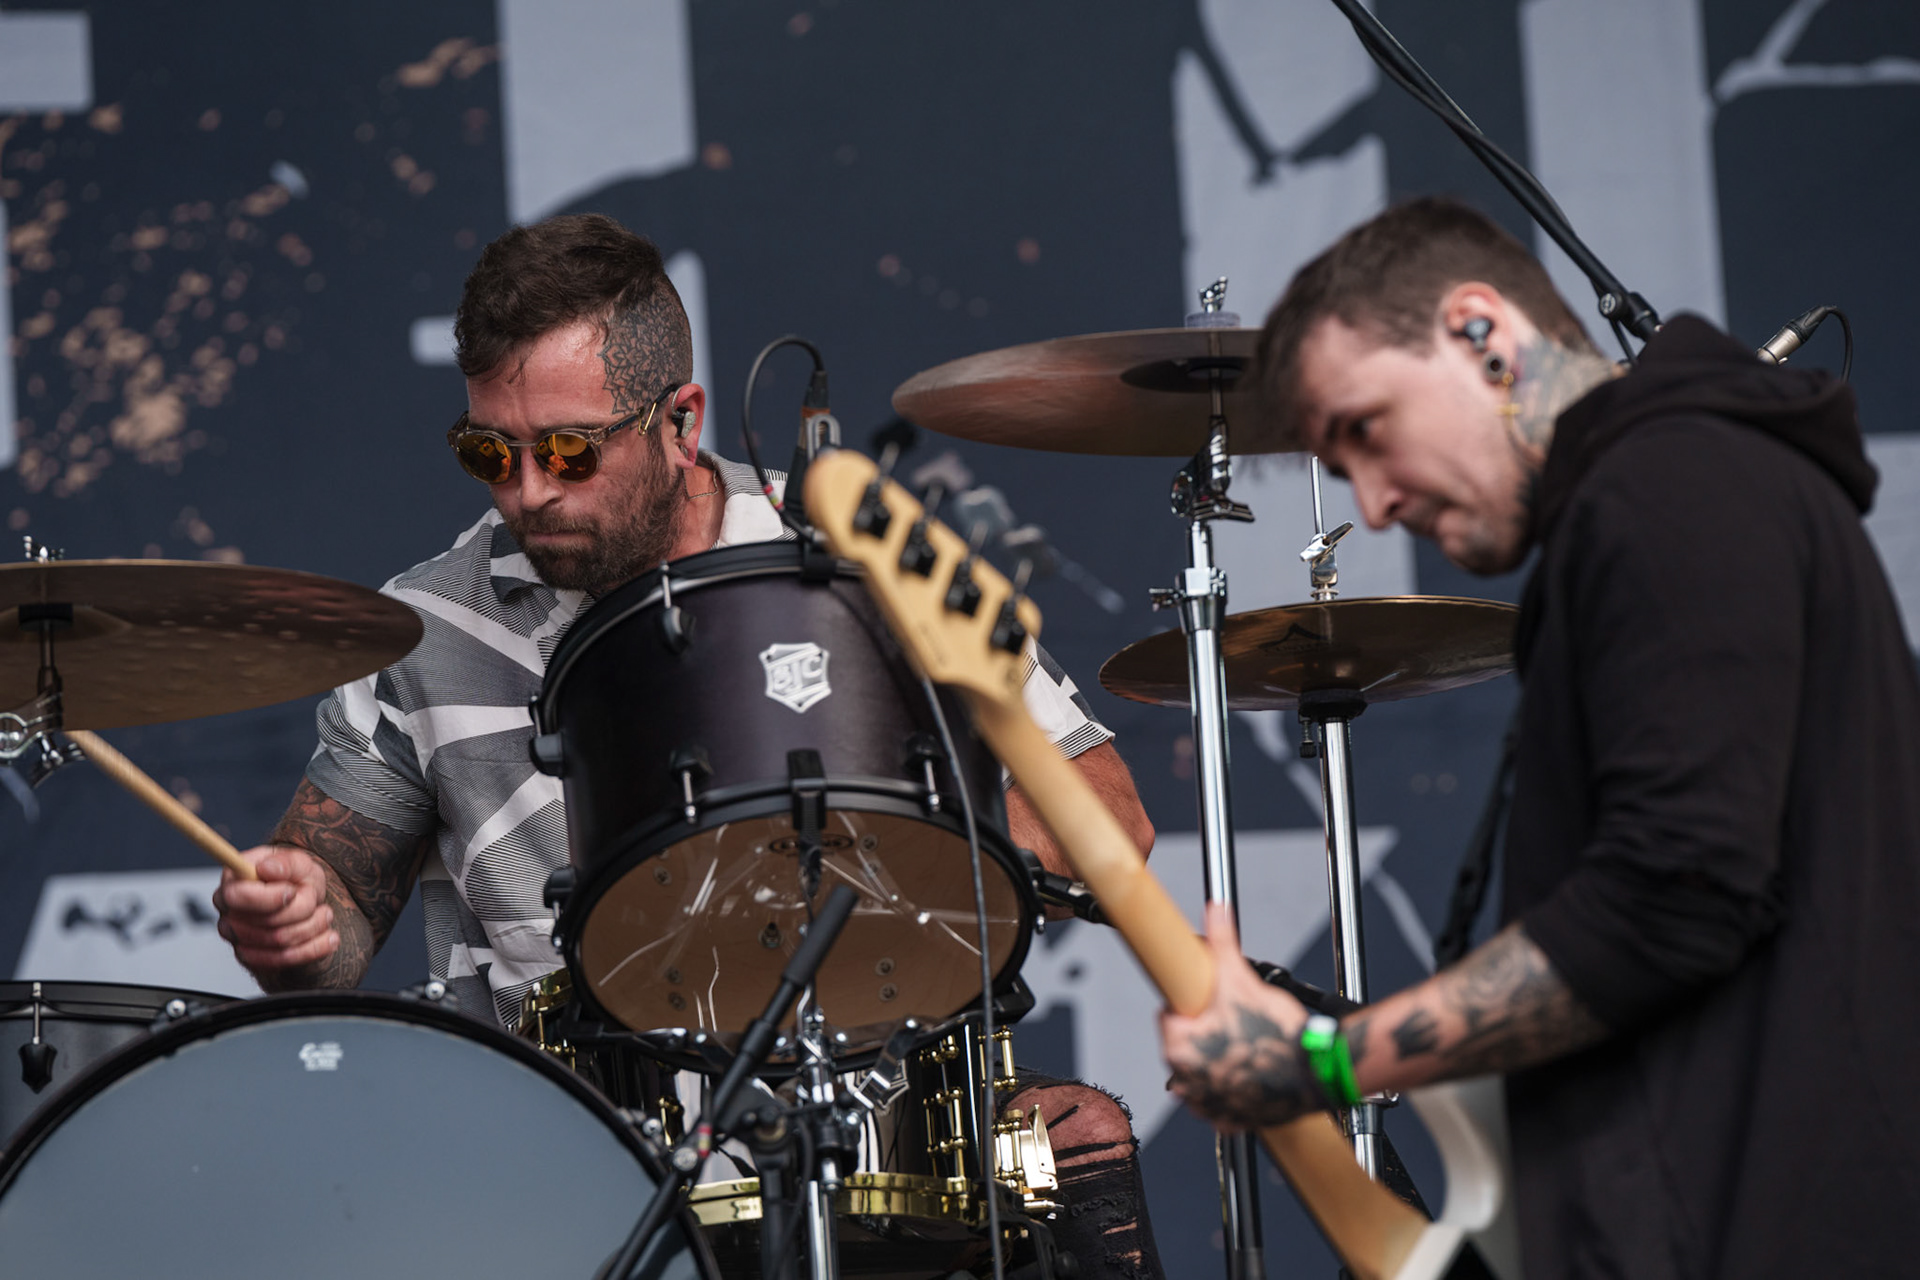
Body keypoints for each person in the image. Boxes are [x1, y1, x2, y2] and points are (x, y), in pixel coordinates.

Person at [211, 213, 1165, 1280]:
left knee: (1072, 1134)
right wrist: (292, 920)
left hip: (868, 1106)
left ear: (680, 420)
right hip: (563, 1132)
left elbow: (1111, 827)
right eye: (490, 451)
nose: (527, 489)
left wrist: (916, 765)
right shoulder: (425, 632)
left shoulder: (859, 562)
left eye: (570, 448)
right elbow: (332, 917)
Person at [1159, 197, 1920, 1278]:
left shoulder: (1672, 488)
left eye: (1367, 429)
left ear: (1482, 333)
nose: (1369, 507)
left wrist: (1324, 1060)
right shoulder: (1671, 492)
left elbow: (1673, 898)